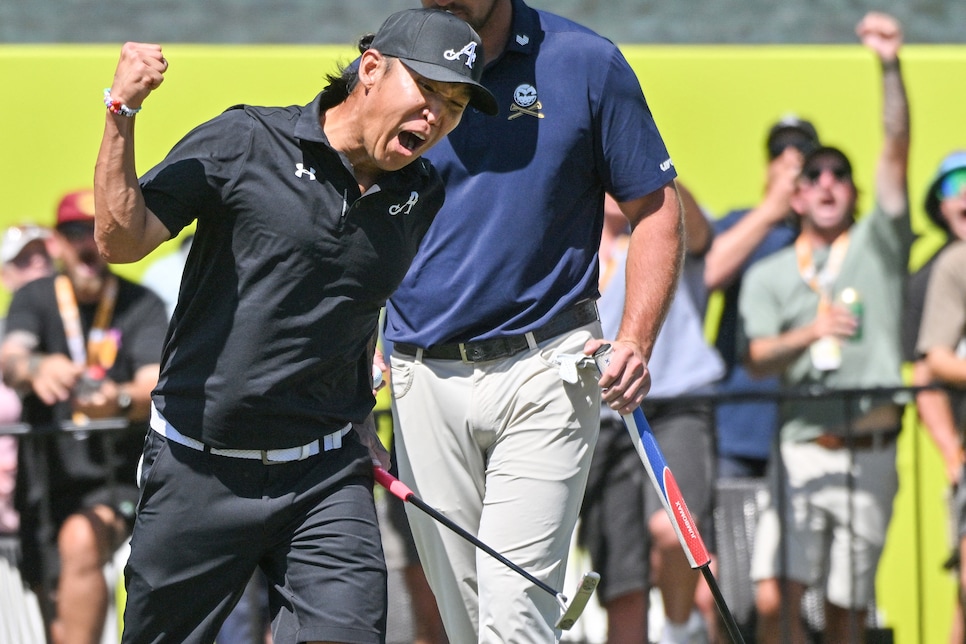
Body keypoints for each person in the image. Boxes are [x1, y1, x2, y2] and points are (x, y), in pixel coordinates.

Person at [92, 8, 495, 643]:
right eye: (427, 91)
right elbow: (121, 240)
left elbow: (352, 302)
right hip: (198, 468)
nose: (437, 116)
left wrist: (358, 411)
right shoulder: (244, 141)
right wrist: (122, 110)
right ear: (370, 69)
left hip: (324, 475)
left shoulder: (420, 192)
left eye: (455, 105)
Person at [383, 1, 683, 641]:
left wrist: (636, 338)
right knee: (466, 620)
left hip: (549, 362)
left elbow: (656, 210)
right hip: (419, 371)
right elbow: (348, 204)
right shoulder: (388, 56)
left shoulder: (586, 61)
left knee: (515, 603)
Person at [739, 12, 911, 644]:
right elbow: (757, 357)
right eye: (813, 175)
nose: (828, 182)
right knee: (776, 599)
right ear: (798, 196)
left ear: (855, 192)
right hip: (803, 448)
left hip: (872, 450)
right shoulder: (770, 272)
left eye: (840, 173)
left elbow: (896, 146)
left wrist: (889, 65)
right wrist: (809, 334)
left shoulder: (878, 245)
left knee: (848, 609)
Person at [0, 190, 168, 644]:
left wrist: (117, 401)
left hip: (116, 477)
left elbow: (153, 385)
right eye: (76, 232)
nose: (88, 242)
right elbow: (11, 358)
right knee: (53, 608)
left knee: (81, 540)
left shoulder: (141, 303)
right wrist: (38, 367)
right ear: (57, 242)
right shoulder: (35, 298)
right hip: (42, 480)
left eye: (98, 231)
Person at [578, 190, 723, 644]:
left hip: (674, 403)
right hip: (600, 415)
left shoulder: (661, 208)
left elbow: (699, 233)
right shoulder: (567, 237)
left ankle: (681, 630)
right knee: (621, 581)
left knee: (674, 528)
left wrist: (652, 170)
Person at [706, 115, 819, 480]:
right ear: (766, 168)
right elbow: (709, 273)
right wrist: (772, 209)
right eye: (778, 151)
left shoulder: (830, 232)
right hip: (739, 425)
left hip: (812, 427)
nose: (790, 159)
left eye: (803, 150)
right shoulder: (742, 224)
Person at [910, 151, 966, 644]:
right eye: (955, 183)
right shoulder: (942, 268)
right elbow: (928, 367)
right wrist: (951, 453)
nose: (965, 191)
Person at [0, 224, 55, 535]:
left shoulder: (78, 328)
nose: (37, 263)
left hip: (53, 491)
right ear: (4, 276)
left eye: (43, 255)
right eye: (23, 259)